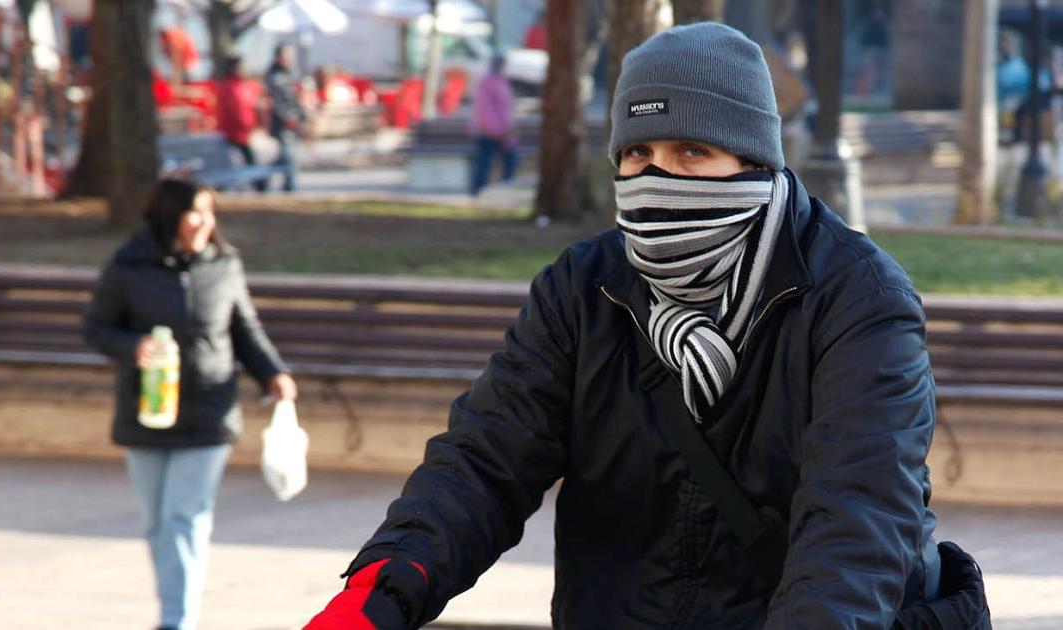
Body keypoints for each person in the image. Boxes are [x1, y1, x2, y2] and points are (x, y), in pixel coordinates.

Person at [306, 24, 991, 629]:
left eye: (692, 151)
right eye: (639, 154)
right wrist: (381, 595)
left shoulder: (857, 297)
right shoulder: (584, 287)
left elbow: (857, 522)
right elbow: (485, 463)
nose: (659, 179)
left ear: (754, 162)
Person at [83, 178, 297, 630]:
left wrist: (273, 373)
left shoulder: (224, 263)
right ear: (170, 216)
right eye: (195, 212)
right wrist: (134, 346)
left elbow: (244, 329)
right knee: (156, 522)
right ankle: (173, 607)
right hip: (147, 410)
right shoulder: (129, 264)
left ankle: (176, 620)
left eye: (209, 212)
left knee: (184, 515)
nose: (204, 222)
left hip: (209, 410)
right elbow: (97, 327)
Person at [469, 55, 518, 197]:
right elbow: (485, 109)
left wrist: (508, 129)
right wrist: (497, 130)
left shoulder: (503, 81)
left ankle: (505, 192)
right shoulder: (486, 82)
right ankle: (477, 194)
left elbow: (506, 108)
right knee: (484, 164)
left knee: (511, 159)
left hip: (504, 133)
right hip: (487, 132)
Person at [216, 56, 266, 191]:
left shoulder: (244, 86)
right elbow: (235, 111)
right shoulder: (230, 87)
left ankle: (260, 187)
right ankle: (260, 187)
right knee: (234, 162)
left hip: (243, 133)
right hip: (233, 133)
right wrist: (246, 126)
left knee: (247, 161)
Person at [264, 44, 306, 192]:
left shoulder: (287, 74)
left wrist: (302, 115)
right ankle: (290, 188)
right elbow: (278, 102)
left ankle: (263, 177)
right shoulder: (274, 77)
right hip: (283, 124)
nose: (291, 59)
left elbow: (294, 100)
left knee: (287, 157)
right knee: (290, 157)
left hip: (292, 123)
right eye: (287, 56)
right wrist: (289, 118)